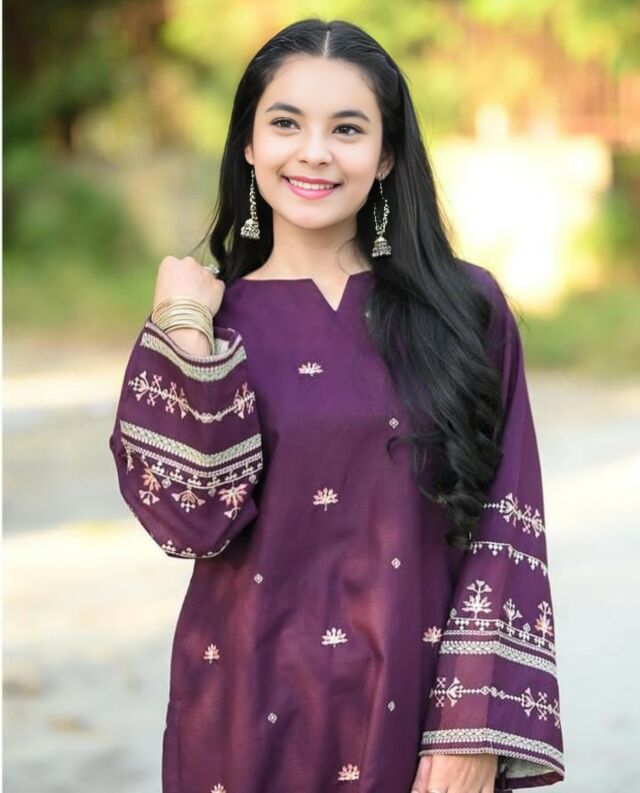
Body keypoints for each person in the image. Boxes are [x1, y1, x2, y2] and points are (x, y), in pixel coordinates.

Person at [108, 17, 565, 793]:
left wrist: (472, 728)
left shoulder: (464, 310)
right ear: (248, 144)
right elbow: (191, 521)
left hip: (419, 714)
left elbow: (506, 520)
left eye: (347, 129)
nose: (314, 152)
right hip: (244, 712)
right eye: (286, 123)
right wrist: (184, 333)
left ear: (385, 155)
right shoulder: (211, 324)